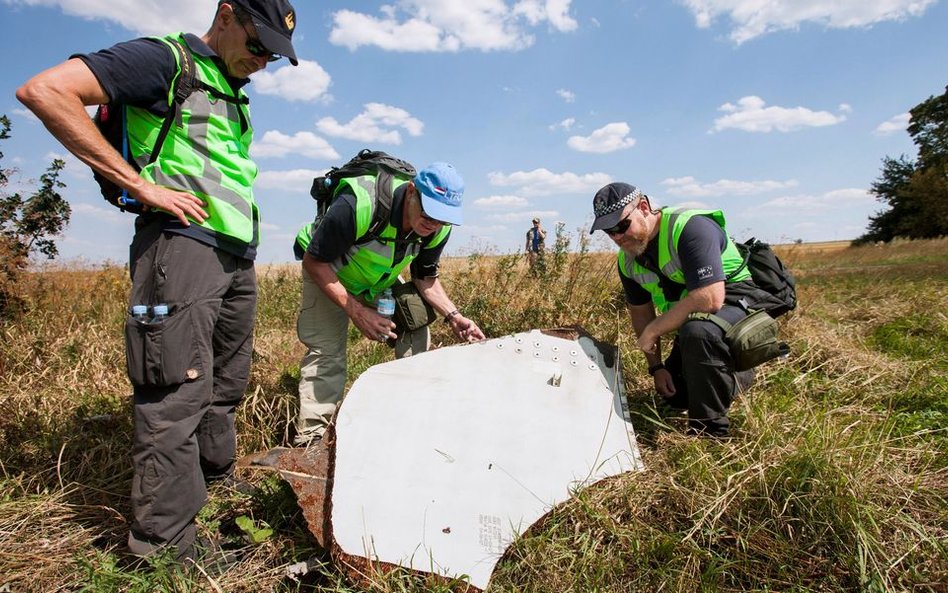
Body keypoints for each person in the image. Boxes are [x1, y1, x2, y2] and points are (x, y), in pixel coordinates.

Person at [16, 0, 298, 561]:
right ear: (226, 14)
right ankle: (164, 549)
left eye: (275, 52)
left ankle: (214, 486)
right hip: (181, 246)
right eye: (259, 42)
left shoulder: (228, 87)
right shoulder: (165, 60)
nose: (265, 59)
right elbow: (44, 91)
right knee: (175, 391)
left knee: (223, 384)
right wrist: (138, 183)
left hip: (233, 255)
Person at [292, 161, 486, 446]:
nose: (432, 224)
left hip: (375, 280)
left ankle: (406, 413)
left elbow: (424, 278)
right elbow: (314, 261)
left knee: (416, 322)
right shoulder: (358, 205)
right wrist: (357, 312)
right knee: (328, 352)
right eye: (429, 212)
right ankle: (311, 439)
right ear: (411, 192)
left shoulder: (438, 228)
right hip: (328, 270)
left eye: (442, 218)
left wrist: (454, 316)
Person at [590, 182, 780, 437]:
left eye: (622, 226)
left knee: (698, 332)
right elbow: (641, 314)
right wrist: (656, 368)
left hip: (737, 300)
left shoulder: (689, 227)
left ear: (644, 207)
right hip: (694, 315)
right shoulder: (628, 262)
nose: (617, 237)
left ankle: (709, 431)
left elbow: (709, 298)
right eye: (609, 231)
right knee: (677, 395)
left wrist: (654, 330)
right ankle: (729, 372)